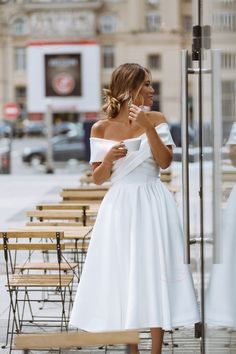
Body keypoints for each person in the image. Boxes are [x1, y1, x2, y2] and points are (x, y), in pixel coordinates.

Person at [70, 63, 200, 354]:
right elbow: (98, 179)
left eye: (152, 84)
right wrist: (108, 160)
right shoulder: (101, 127)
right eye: (147, 84)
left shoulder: (156, 118)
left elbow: (165, 162)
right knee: (126, 272)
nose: (153, 90)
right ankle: (133, 350)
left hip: (153, 200)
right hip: (121, 206)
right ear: (130, 88)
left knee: (155, 270)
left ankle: (155, 350)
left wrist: (147, 127)